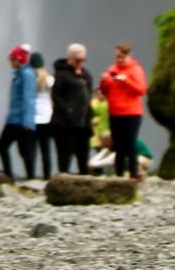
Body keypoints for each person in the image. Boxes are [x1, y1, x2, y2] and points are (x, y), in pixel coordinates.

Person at [99, 42, 148, 179]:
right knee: (118, 146)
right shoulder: (112, 69)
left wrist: (126, 80)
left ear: (129, 55)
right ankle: (119, 175)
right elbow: (105, 91)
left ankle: (133, 174)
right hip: (115, 113)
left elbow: (141, 90)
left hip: (132, 113)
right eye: (117, 57)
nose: (120, 60)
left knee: (130, 143)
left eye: (122, 56)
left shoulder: (135, 69)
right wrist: (104, 81)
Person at [51, 43, 94, 175]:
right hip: (64, 123)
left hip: (83, 123)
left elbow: (89, 94)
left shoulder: (86, 74)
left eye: (83, 60)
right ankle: (64, 180)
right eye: (77, 60)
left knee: (83, 153)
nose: (80, 63)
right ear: (70, 58)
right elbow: (56, 96)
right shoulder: (61, 74)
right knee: (65, 152)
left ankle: (85, 178)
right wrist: (68, 110)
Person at [0, 45, 37, 179]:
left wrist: (27, 121)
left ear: (20, 59)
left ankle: (15, 176)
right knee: (23, 151)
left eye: (12, 59)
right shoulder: (19, 74)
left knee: (5, 146)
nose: (10, 62)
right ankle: (23, 176)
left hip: (20, 120)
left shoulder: (27, 74)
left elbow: (28, 98)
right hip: (15, 118)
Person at [30, 52, 55, 179]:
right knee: (46, 150)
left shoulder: (29, 78)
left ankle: (32, 175)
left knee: (32, 149)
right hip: (47, 117)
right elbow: (53, 97)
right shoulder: (49, 79)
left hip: (33, 118)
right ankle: (47, 176)